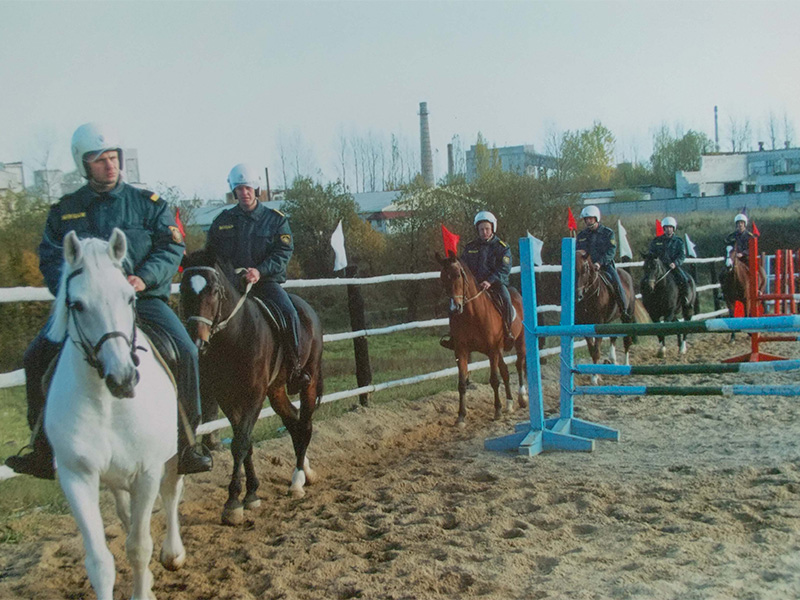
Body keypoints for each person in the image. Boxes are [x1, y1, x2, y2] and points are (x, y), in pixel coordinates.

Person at [5, 122, 212, 479]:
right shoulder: (64, 211)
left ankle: (187, 443)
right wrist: (74, 291)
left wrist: (142, 278)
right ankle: (41, 449)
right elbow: (51, 258)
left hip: (141, 300)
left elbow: (171, 247)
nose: (110, 165)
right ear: (84, 165)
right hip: (87, 308)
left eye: (113, 158)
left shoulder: (149, 206)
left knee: (186, 352)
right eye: (100, 160)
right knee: (36, 356)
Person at [205, 163, 309, 391]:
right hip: (231, 286)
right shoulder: (222, 221)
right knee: (204, 317)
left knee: (289, 312)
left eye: (248, 188)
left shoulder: (275, 220)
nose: (244, 193)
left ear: (257, 189)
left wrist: (259, 271)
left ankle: (295, 368)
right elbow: (211, 254)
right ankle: (206, 371)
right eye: (239, 189)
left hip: (265, 283)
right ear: (234, 191)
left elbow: (283, 252)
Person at [441, 210, 514, 349]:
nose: (484, 232)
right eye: (481, 229)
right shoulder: (470, 247)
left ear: (492, 228)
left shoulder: (502, 248)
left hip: (495, 284)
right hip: (473, 286)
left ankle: (507, 331)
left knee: (506, 299)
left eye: (487, 229)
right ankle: (453, 335)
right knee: (453, 303)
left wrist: (490, 281)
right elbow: (463, 266)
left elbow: (504, 268)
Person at [576, 205, 632, 321]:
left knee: (616, 282)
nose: (588, 221)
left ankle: (624, 309)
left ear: (596, 218)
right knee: (576, 283)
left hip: (604, 266)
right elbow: (579, 251)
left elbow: (611, 250)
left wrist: (599, 263)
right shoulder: (582, 235)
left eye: (590, 218)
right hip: (587, 267)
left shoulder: (607, 233)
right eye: (586, 219)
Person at [647, 216, 692, 305]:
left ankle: (686, 299)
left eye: (670, 227)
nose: (668, 229)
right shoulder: (657, 241)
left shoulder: (678, 241)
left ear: (673, 228)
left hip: (673, 266)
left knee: (684, 279)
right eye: (666, 227)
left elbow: (682, 255)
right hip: (659, 267)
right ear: (664, 228)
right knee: (647, 279)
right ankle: (647, 300)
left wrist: (675, 263)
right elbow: (651, 253)